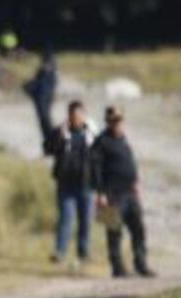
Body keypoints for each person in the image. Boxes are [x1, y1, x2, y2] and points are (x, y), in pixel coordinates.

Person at [90, 106, 156, 278]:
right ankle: (117, 268)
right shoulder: (101, 142)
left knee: (138, 229)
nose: (117, 124)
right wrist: (100, 193)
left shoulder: (123, 139)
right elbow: (95, 169)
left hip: (130, 193)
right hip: (111, 195)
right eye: (113, 121)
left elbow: (129, 163)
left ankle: (141, 265)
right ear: (108, 122)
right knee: (114, 232)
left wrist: (135, 182)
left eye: (119, 121)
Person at [44, 100, 96, 266]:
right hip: (66, 185)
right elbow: (47, 148)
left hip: (86, 185)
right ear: (68, 116)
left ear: (84, 116)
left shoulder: (91, 135)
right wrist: (60, 135)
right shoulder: (61, 133)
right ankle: (60, 252)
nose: (76, 118)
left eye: (79, 115)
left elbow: (100, 157)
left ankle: (83, 253)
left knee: (85, 221)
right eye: (73, 115)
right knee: (66, 219)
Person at [24, 50, 58, 141]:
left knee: (46, 120)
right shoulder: (42, 72)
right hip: (40, 99)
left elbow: (45, 86)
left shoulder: (51, 73)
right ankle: (48, 140)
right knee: (43, 121)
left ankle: (51, 139)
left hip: (45, 99)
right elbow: (36, 83)